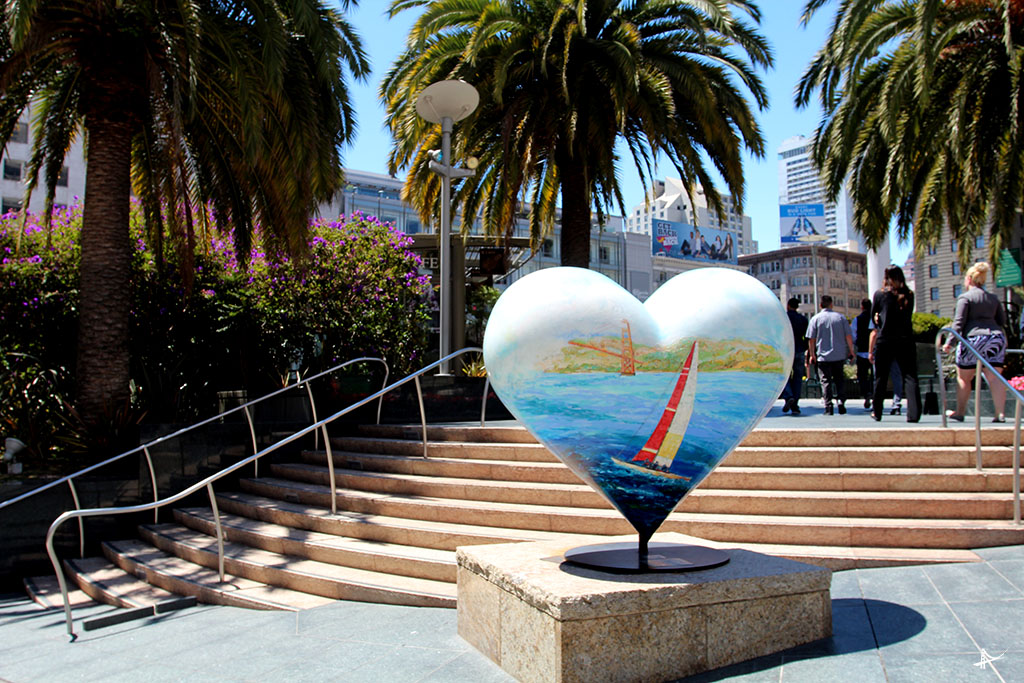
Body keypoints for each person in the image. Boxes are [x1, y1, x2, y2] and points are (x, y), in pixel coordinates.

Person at [941, 261, 1008, 422]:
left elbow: (958, 323)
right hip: (995, 338)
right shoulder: (993, 298)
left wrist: (949, 342)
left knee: (964, 377)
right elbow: (1002, 320)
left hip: (973, 339)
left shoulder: (965, 298)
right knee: (995, 377)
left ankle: (960, 411)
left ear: (969, 279)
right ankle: (1000, 414)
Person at [869, 265, 921, 422]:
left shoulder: (880, 294)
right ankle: (914, 413)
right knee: (910, 376)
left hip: (885, 339)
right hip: (905, 339)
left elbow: (874, 317)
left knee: (881, 377)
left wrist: (879, 319)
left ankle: (877, 411)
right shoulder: (909, 295)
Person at [807, 295, 855, 415]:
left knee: (825, 381)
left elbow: (811, 339)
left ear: (820, 305)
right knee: (839, 379)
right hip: (838, 355)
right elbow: (848, 336)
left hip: (823, 355)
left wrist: (812, 354)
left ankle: (828, 406)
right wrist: (851, 350)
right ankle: (841, 401)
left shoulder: (815, 319)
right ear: (831, 304)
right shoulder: (840, 318)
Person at [781, 297, 809, 414]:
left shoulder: (783, 318)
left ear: (788, 306)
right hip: (799, 349)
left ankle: (788, 395)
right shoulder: (803, 319)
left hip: (786, 350)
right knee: (797, 378)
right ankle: (795, 404)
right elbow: (807, 336)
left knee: (784, 376)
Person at [852, 298, 873, 409]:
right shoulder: (874, 318)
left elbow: (853, 334)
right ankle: (874, 394)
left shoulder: (857, 319)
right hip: (874, 353)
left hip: (861, 352)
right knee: (875, 376)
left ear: (862, 307)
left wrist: (856, 344)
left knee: (862, 376)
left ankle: (866, 394)